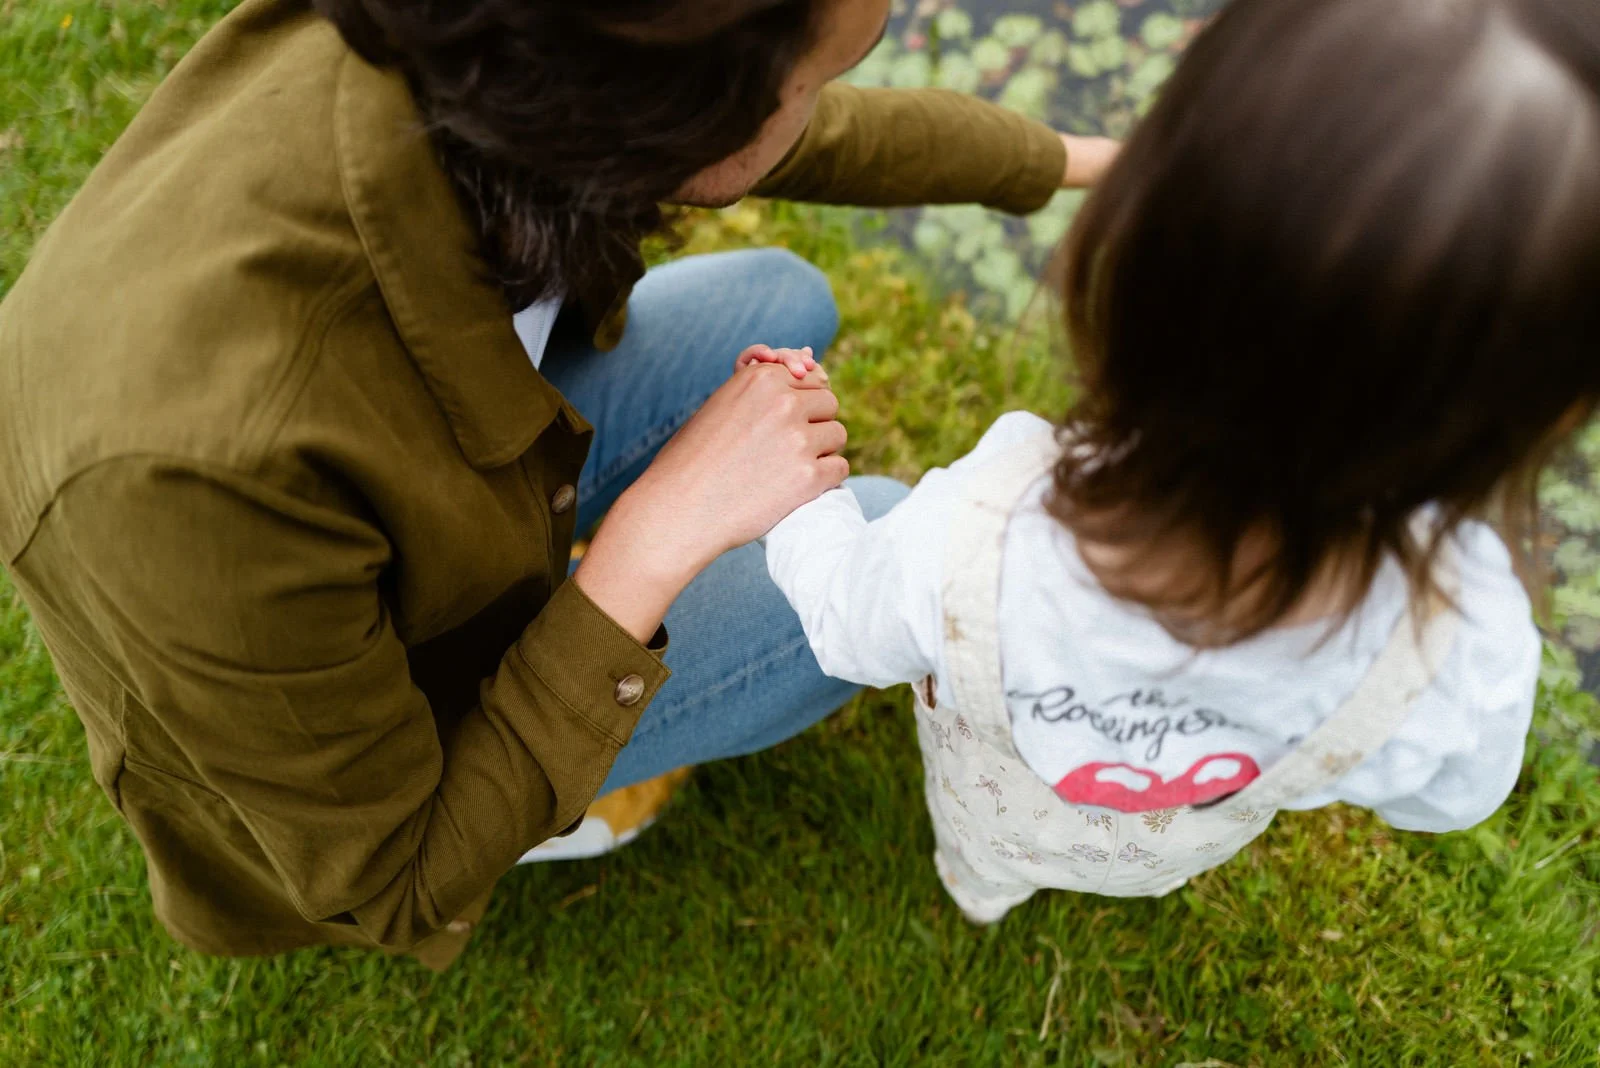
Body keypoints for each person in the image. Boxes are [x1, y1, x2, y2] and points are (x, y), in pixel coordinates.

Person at [0, 0, 1117, 967]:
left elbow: (794, 135)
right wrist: (653, 539)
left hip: (417, 493)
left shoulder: (499, 57)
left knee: (778, 295)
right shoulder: (201, 488)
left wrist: (1076, 164)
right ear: (665, 117)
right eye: (808, 81)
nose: (817, 108)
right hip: (404, 769)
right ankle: (557, 805)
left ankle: (557, 600)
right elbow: (395, 881)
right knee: (877, 552)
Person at [764, 0, 1600, 923]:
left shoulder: (980, 530)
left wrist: (799, 494)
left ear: (1142, 244)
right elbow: (1452, 797)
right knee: (1139, 861)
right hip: (1171, 844)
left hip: (993, 814)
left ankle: (979, 894)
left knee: (986, 858)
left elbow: (845, 624)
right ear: (1542, 413)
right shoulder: (1458, 636)